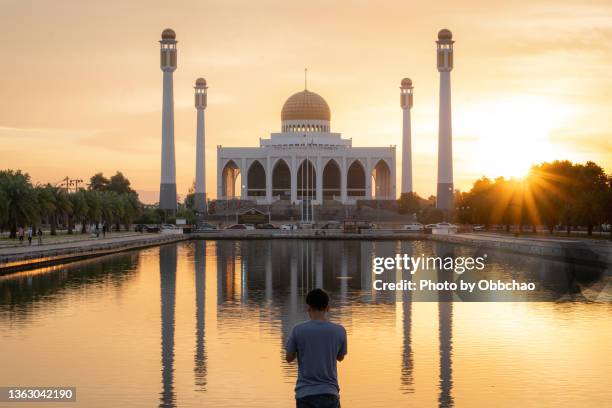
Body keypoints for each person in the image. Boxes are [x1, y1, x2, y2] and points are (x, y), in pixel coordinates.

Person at [286, 288, 347, 408]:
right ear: (328, 308)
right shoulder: (339, 330)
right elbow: (340, 357)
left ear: (308, 308)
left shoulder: (298, 330)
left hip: (305, 394)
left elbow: (289, 358)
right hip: (330, 393)